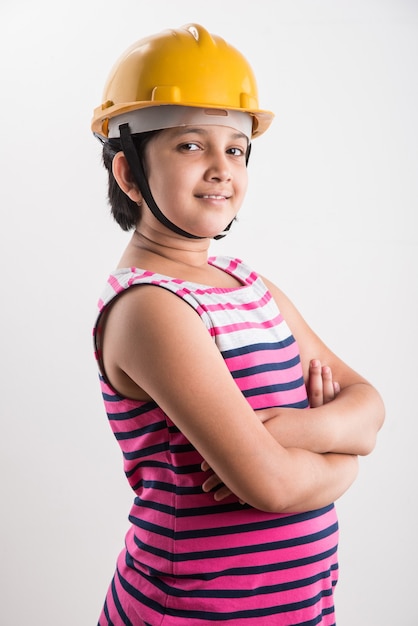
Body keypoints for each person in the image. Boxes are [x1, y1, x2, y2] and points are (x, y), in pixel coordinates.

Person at [91, 23, 385, 625]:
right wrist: (345, 457)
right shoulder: (152, 308)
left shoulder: (246, 284)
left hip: (296, 608)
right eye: (191, 145)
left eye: (236, 147)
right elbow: (271, 487)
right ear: (128, 174)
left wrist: (290, 432)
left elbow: (370, 406)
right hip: (193, 612)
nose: (223, 168)